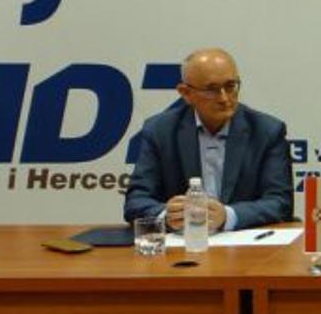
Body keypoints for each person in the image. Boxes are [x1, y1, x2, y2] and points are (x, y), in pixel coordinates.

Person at [124, 48, 294, 232]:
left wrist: (228, 215)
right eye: (212, 90)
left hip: (245, 243)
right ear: (186, 93)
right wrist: (167, 215)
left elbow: (281, 202)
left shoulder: (267, 131)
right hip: (184, 241)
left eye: (230, 86)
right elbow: (136, 201)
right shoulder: (160, 130)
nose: (224, 98)